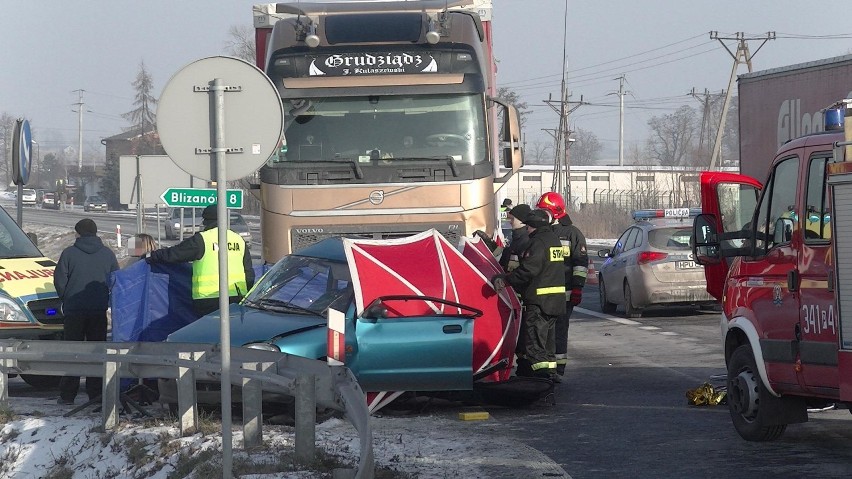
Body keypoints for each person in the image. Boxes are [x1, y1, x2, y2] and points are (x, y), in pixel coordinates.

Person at [492, 209, 566, 379]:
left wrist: (505, 280)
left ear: (533, 226)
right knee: (547, 345)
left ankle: (540, 382)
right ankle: (549, 379)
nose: (527, 229)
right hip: (555, 301)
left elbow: (529, 269)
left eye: (529, 226)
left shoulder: (538, 243)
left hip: (539, 302)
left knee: (535, 346)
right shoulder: (553, 240)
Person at [145, 204, 255, 317]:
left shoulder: (203, 239)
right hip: (237, 297)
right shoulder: (238, 239)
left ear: (206, 221)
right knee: (233, 332)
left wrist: (151, 255)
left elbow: (174, 254)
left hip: (209, 299)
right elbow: (249, 272)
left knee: (210, 332)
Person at [54, 218, 119, 405]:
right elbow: (115, 280)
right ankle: (96, 393)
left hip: (74, 310)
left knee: (72, 352)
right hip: (98, 310)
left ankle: (68, 394)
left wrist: (66, 297)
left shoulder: (69, 253)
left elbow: (59, 280)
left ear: (78, 233)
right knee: (97, 351)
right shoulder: (108, 254)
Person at [536, 192, 589, 381]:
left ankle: (558, 369)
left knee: (559, 331)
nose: (541, 215)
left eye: (545, 211)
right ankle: (546, 368)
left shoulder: (572, 233)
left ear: (555, 213)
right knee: (543, 332)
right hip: (544, 292)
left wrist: (577, 287)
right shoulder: (541, 232)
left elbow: (580, 263)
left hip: (565, 293)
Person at [499, 203, 532, 272]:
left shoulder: (525, 241)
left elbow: (526, 269)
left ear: (521, 221)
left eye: (512, 219)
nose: (510, 222)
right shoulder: (516, 238)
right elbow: (504, 258)